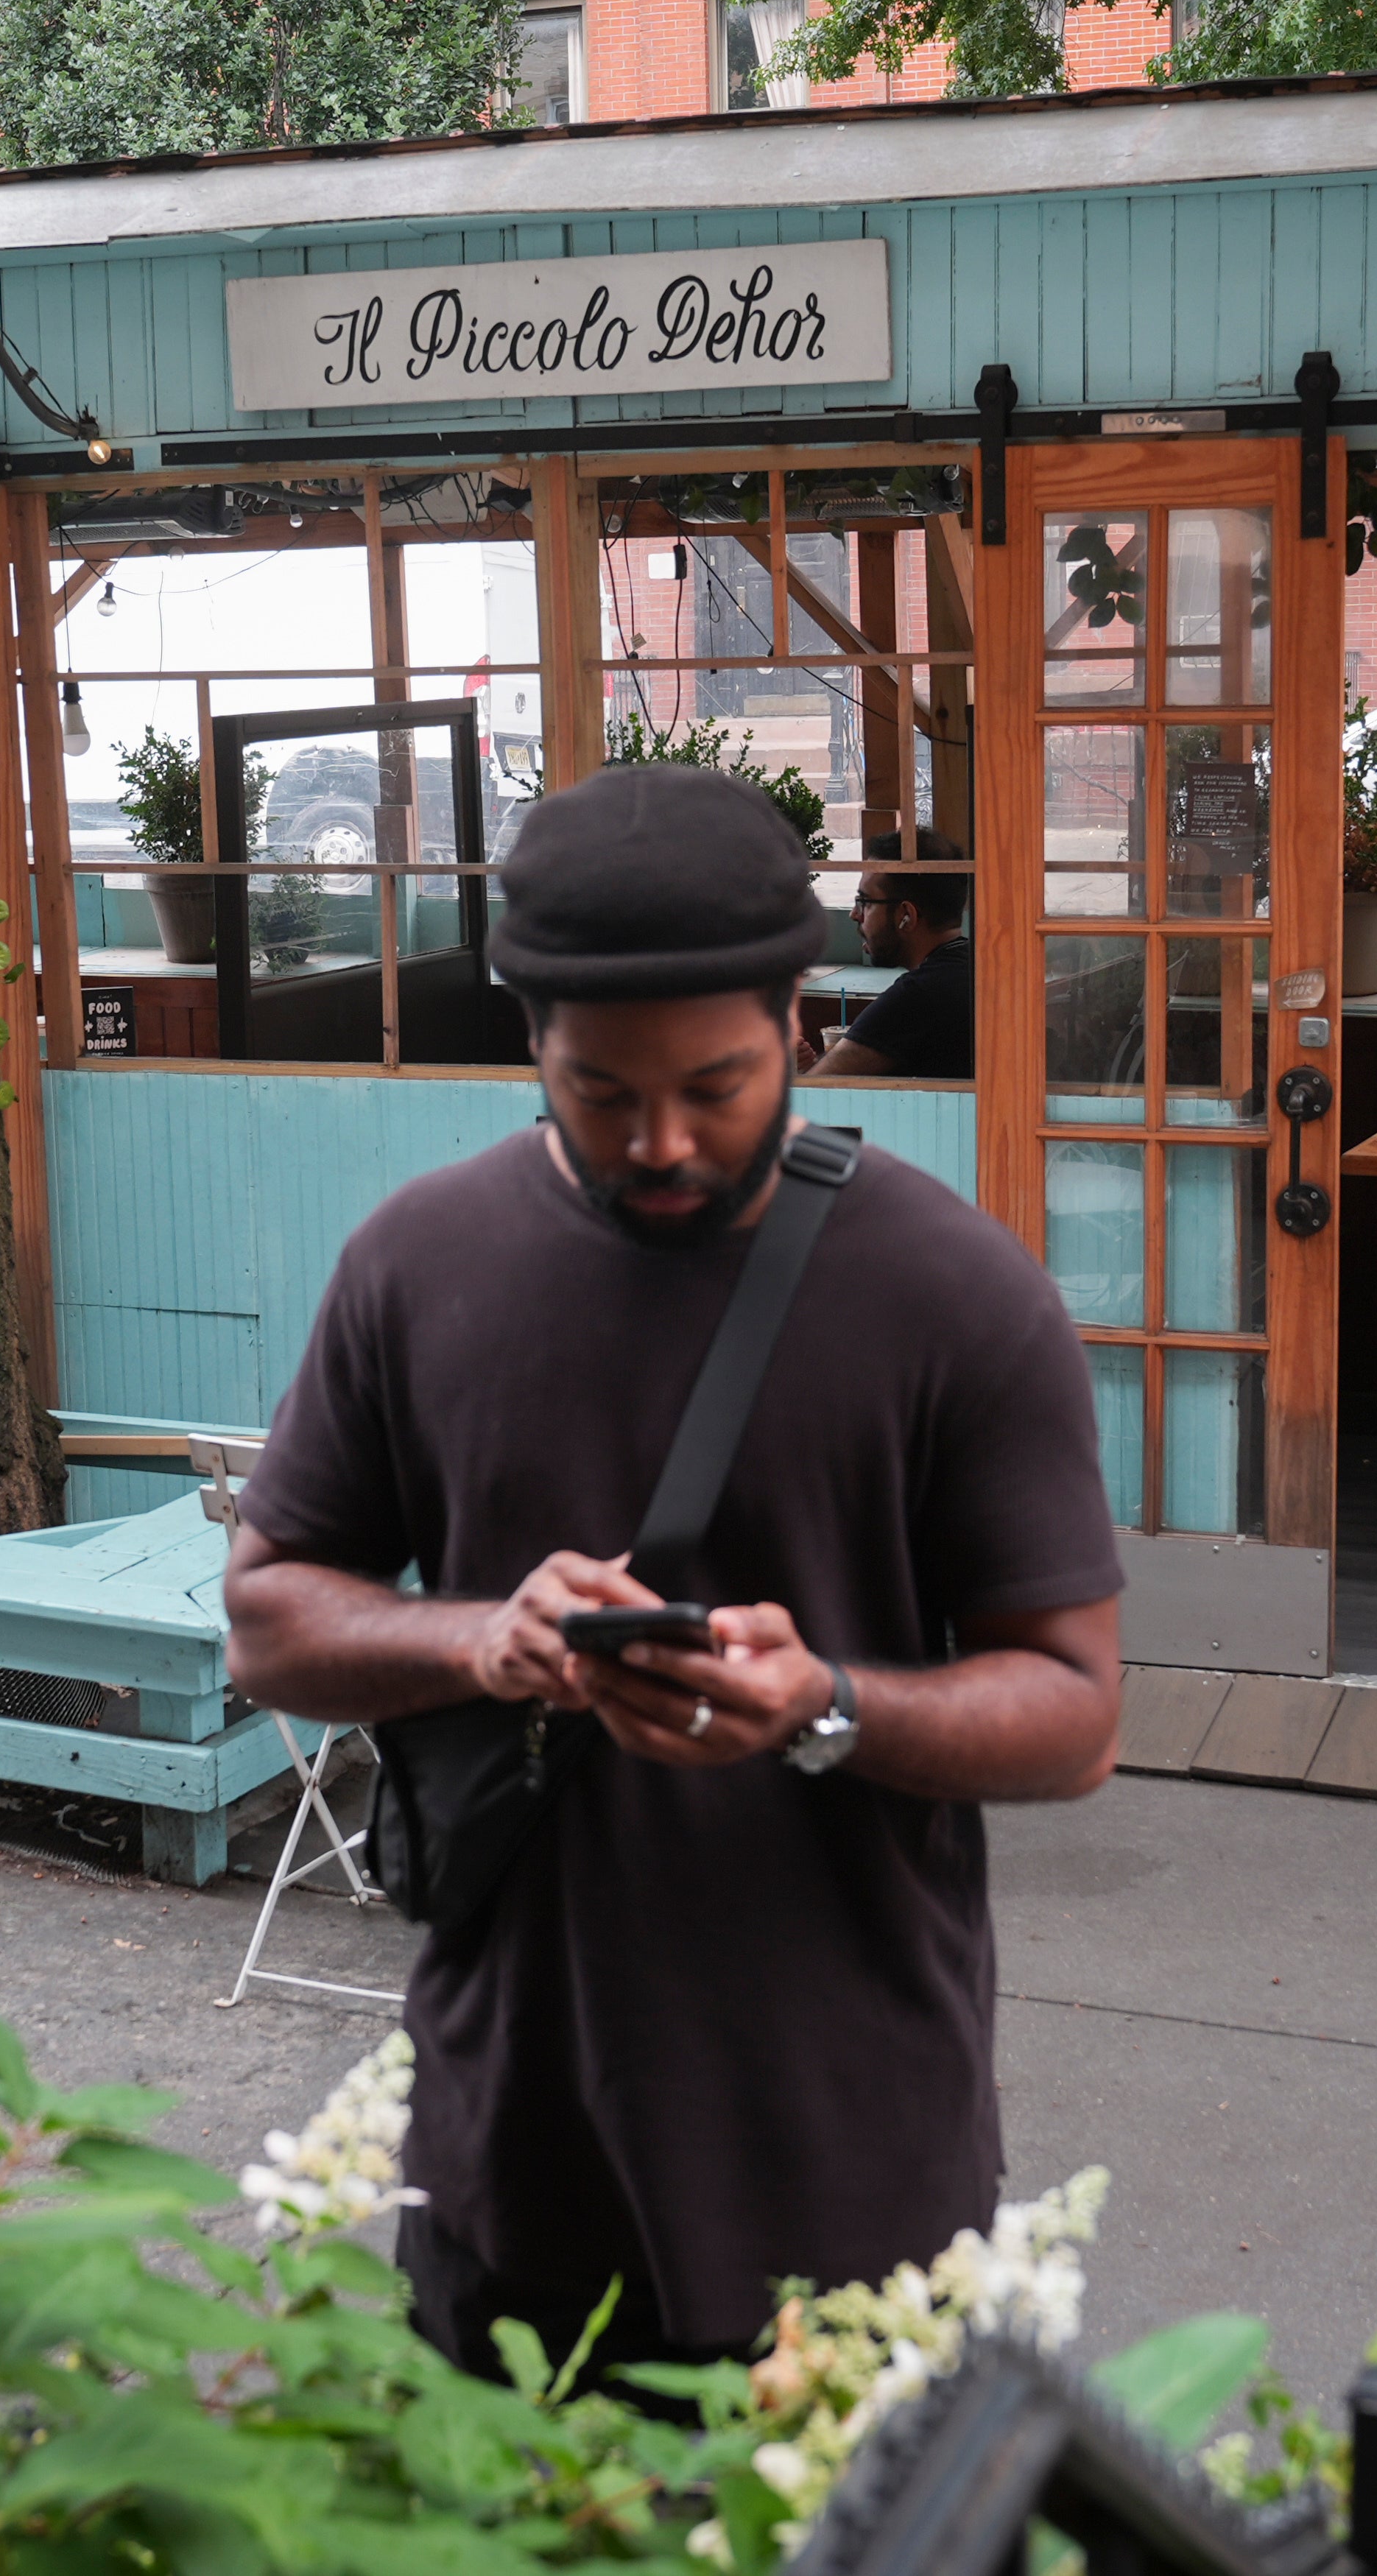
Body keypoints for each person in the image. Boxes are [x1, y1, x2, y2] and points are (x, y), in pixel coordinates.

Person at [222, 764, 1123, 2379]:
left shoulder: (958, 1296)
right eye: (599, 1091)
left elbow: (1073, 1709)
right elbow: (271, 1616)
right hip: (507, 2140)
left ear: (801, 1010)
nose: (661, 1138)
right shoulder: (416, 1265)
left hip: (852, 2162)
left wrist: (824, 1705)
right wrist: (476, 1640)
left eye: (716, 1083)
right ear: (529, 1041)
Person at [803, 830, 972, 1079]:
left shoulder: (917, 998)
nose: (854, 914)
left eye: (865, 902)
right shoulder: (975, 965)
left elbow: (817, 1091)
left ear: (907, 916)